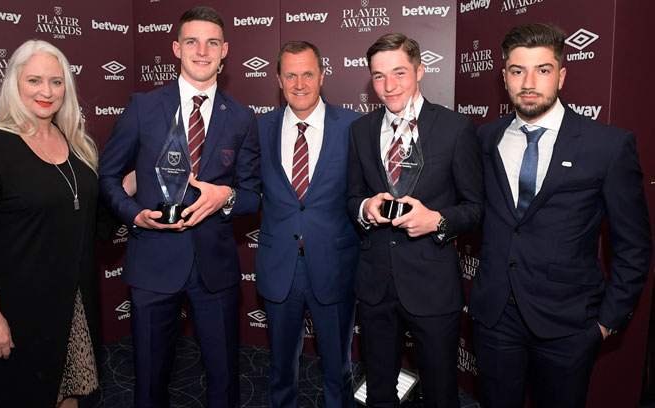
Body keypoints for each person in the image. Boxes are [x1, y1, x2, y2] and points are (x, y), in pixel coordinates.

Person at [469, 23, 652, 408]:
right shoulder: (487, 137)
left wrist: (604, 325)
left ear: (562, 75)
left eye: (543, 70)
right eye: (518, 71)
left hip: (569, 326)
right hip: (496, 319)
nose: (529, 82)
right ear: (504, 77)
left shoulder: (609, 145)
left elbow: (634, 247)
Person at [98, 6, 260, 408]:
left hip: (215, 268)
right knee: (150, 379)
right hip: (153, 263)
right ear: (176, 48)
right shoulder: (143, 107)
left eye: (212, 43)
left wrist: (228, 197)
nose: (201, 51)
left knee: (224, 379)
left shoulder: (241, 118)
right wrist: (132, 214)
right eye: (192, 41)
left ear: (225, 51)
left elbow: (254, 194)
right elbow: (108, 176)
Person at [0, 40, 102, 407]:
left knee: (71, 394)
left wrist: (139, 181)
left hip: (73, 302)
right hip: (18, 308)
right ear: (15, 83)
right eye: (35, 80)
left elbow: (90, 215)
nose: (46, 91)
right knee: (23, 395)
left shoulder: (77, 146)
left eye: (56, 81)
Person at [346, 33, 484, 408]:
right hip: (375, 284)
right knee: (378, 392)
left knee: (440, 394)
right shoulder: (360, 130)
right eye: (378, 76)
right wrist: (365, 209)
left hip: (433, 285)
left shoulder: (455, 127)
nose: (389, 86)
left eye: (399, 73)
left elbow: (475, 207)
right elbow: (351, 198)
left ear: (421, 70)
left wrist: (437, 220)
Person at [255, 41, 361, 408]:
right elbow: (244, 188)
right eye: (290, 75)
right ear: (279, 80)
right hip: (278, 264)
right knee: (280, 368)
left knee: (338, 367)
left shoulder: (353, 126)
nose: (299, 83)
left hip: (334, 265)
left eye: (307, 73)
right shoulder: (260, 128)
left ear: (322, 75)